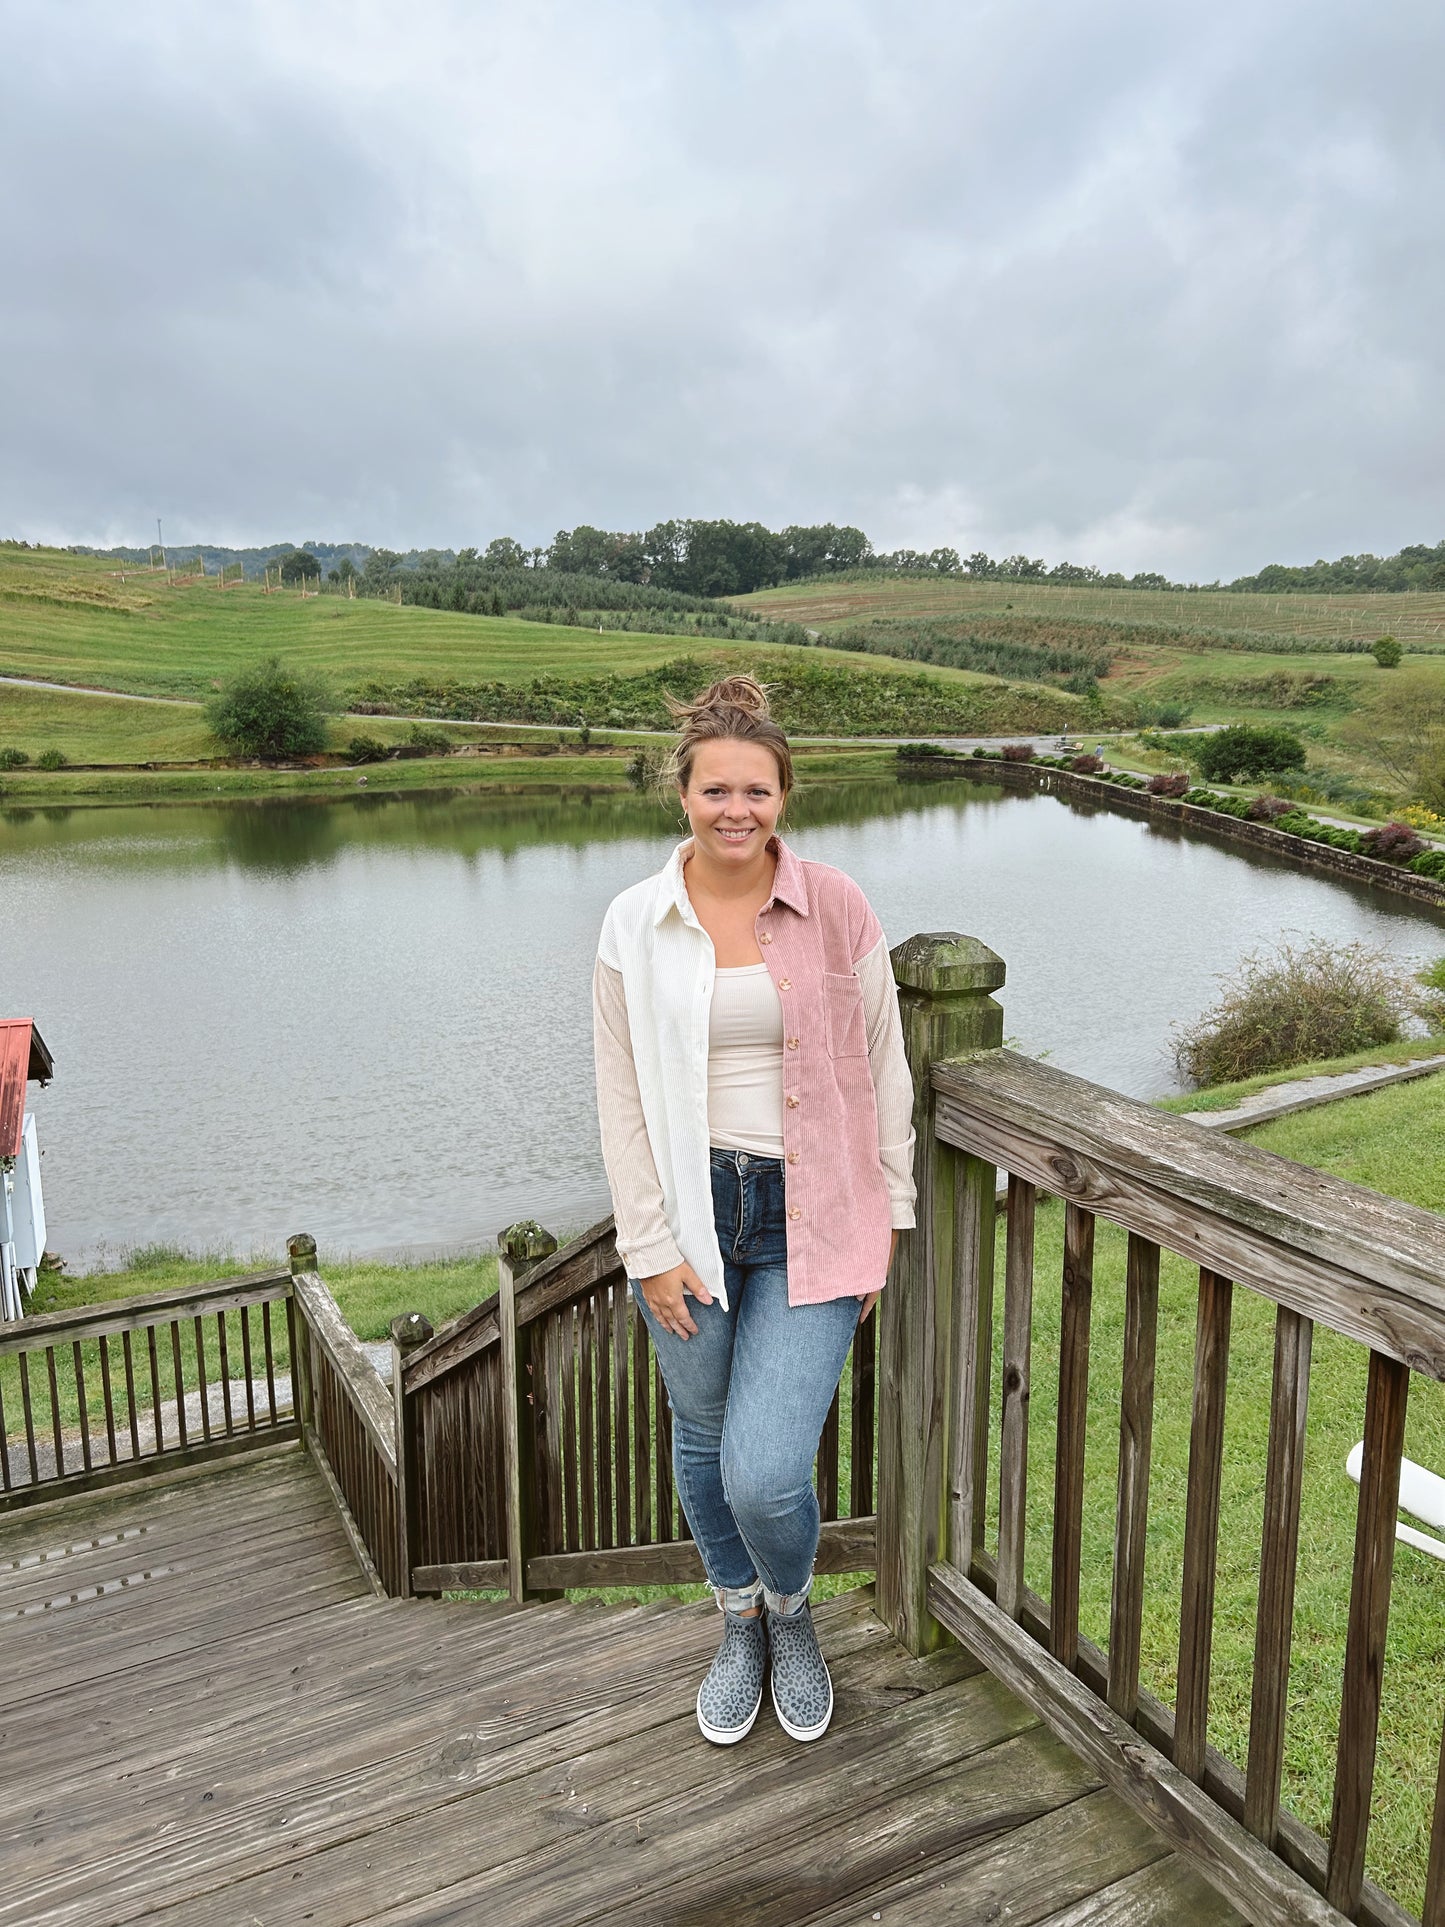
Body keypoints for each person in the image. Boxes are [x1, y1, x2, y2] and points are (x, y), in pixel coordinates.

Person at [591, 674, 917, 1746]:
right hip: (687, 1218)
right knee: (699, 1437)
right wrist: (646, 1246)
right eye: (716, 790)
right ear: (678, 793)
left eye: (758, 791)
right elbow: (620, 1093)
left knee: (764, 1467)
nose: (737, 810)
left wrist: (888, 1223)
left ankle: (791, 1610)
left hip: (813, 1215)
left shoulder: (838, 906)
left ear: (785, 796)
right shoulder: (634, 923)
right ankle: (737, 1620)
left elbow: (883, 1065)